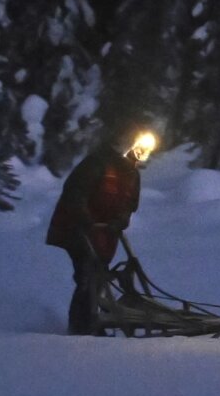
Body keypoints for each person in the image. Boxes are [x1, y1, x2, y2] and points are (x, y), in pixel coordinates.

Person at [46, 127, 157, 335]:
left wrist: (120, 221)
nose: (141, 152)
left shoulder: (131, 174)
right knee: (89, 273)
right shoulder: (97, 164)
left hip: (105, 232)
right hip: (76, 228)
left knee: (98, 275)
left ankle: (90, 319)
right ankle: (81, 326)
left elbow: (130, 204)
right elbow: (74, 192)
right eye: (138, 146)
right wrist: (85, 219)